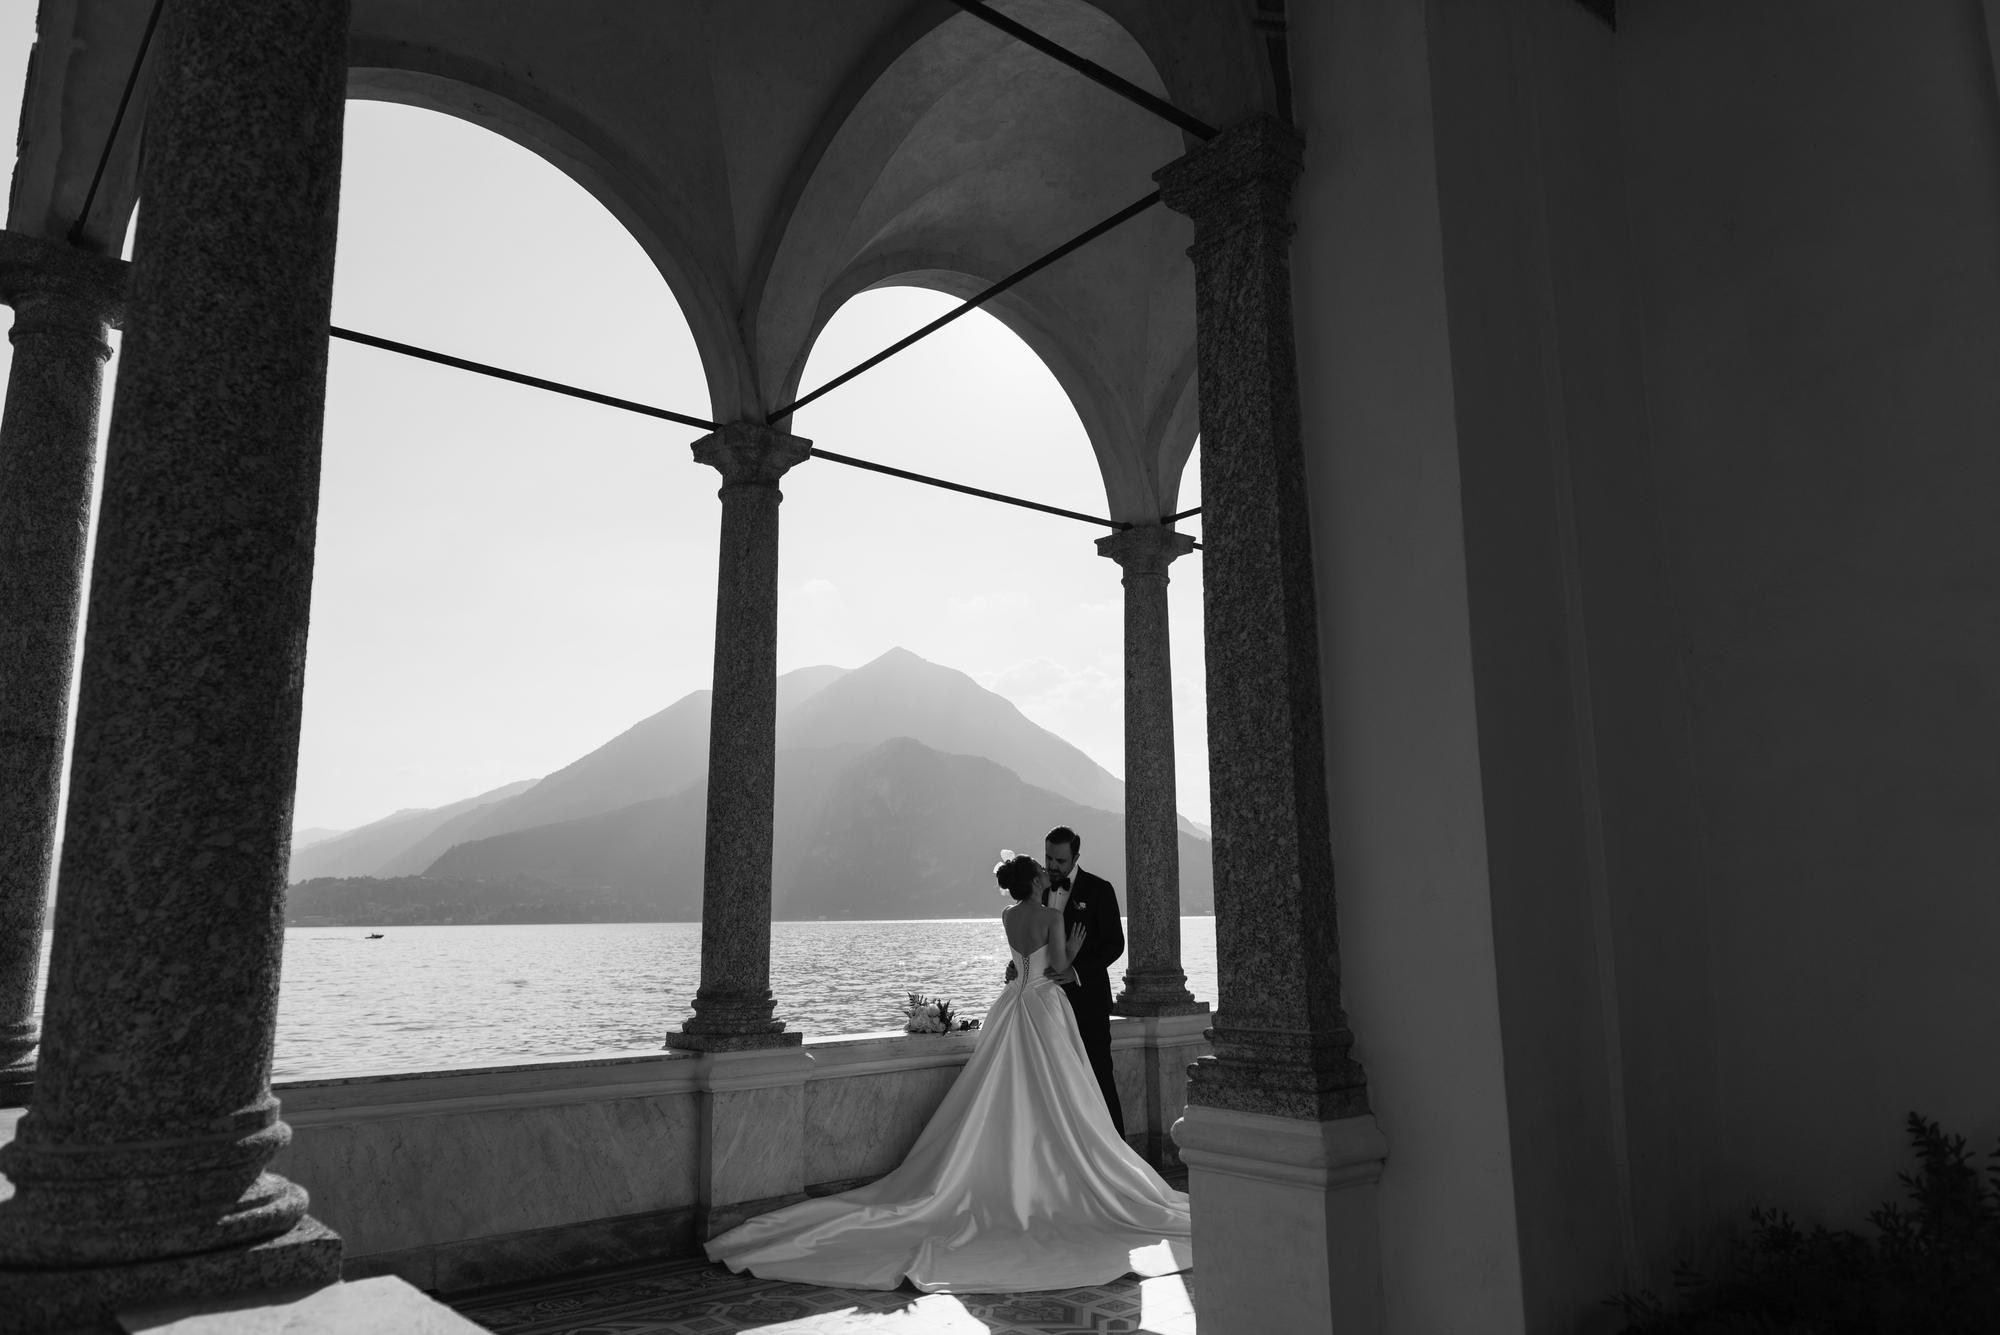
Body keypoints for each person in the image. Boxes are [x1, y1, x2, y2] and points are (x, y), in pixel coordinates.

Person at [704, 853, 1191, 1293]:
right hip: (1044, 1006)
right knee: (1062, 1098)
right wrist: (1077, 947)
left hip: (1012, 1007)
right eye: (1042, 870)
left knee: (1003, 1091)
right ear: (1035, 881)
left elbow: (1018, 964)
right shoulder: (1051, 916)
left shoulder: (1009, 915)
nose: (1047, 872)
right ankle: (1052, 1179)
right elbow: (1059, 967)